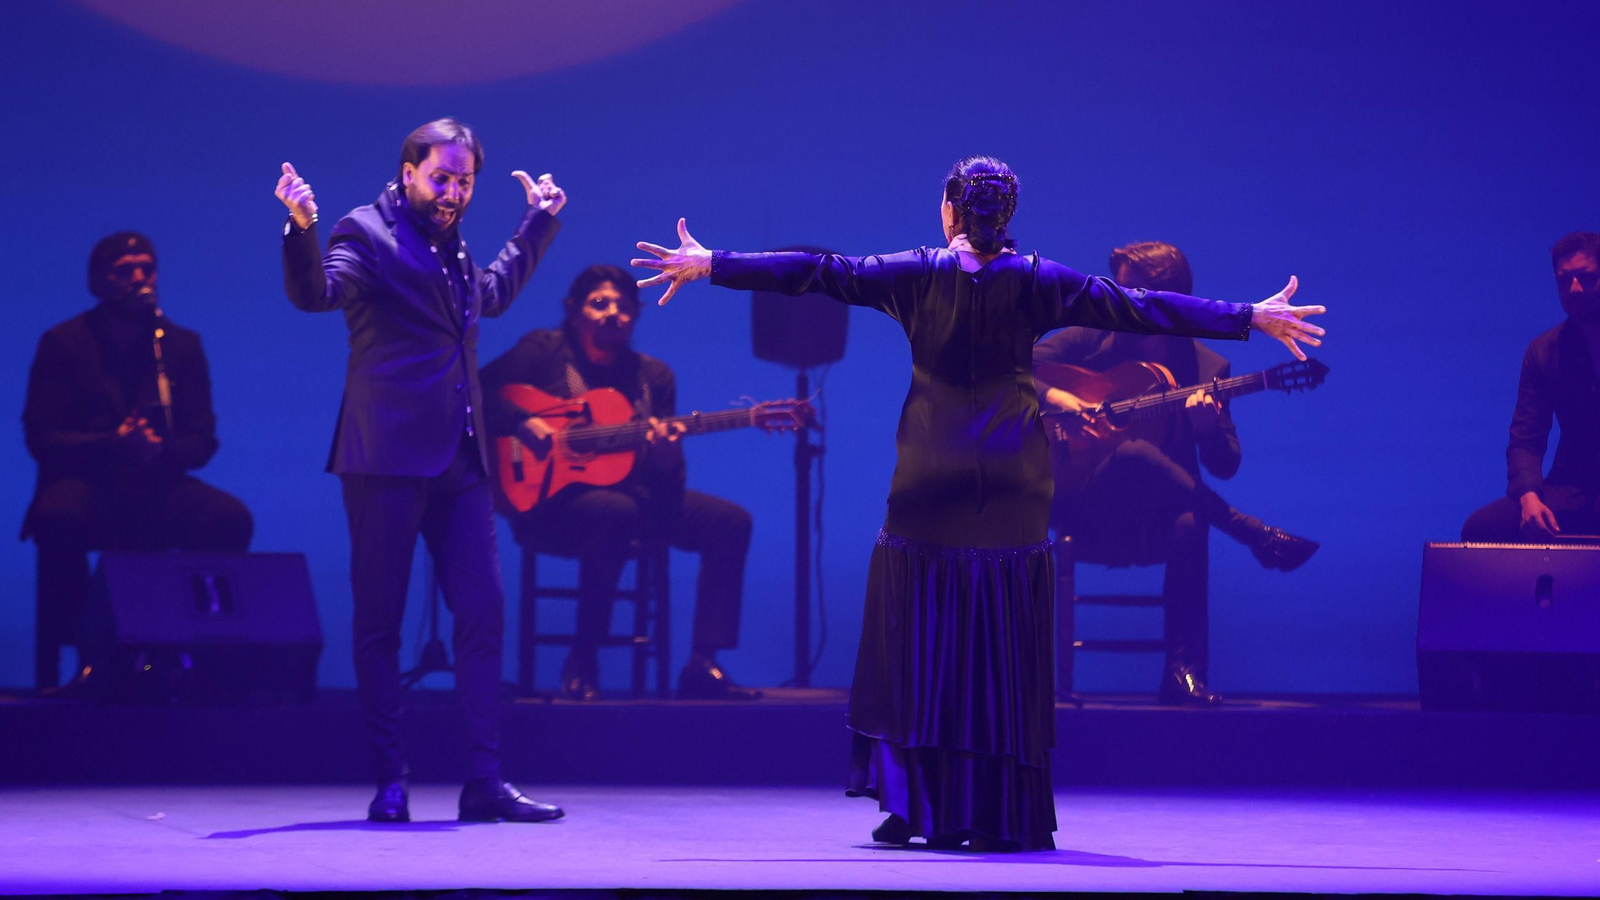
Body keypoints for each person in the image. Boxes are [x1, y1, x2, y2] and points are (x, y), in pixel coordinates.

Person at [631, 156, 1325, 852]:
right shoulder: (1041, 280)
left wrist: (711, 262)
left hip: (931, 475)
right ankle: (995, 811)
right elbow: (1145, 306)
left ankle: (910, 806)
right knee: (995, 640)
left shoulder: (914, 270)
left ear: (950, 211)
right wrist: (1251, 317)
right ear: (1007, 216)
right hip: (1012, 480)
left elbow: (817, 270)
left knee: (920, 637)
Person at [275, 118, 567, 824]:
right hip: (386, 459)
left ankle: (485, 783)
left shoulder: (452, 242)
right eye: (442, 179)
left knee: (484, 611)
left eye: (464, 183)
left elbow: (489, 298)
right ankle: (391, 780)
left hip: (460, 459)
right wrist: (301, 227)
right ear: (408, 170)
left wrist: (537, 224)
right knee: (381, 620)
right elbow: (315, 294)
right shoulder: (364, 233)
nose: (453, 194)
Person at [1033, 241, 1318, 706]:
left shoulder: (1207, 368)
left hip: (1151, 517)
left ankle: (1183, 673)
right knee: (1132, 454)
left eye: (1129, 291)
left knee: (1190, 523)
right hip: (1082, 502)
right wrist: (1060, 400)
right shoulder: (1092, 338)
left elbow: (1225, 464)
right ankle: (1252, 533)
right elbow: (1007, 367)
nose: (1116, 301)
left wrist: (1205, 428)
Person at [481, 265, 761, 701]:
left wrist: (667, 461)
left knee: (730, 522)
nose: (614, 313)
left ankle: (702, 664)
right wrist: (522, 421)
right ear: (573, 310)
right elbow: (478, 391)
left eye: (625, 307)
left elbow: (667, 487)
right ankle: (584, 658)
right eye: (600, 304)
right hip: (548, 505)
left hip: (638, 501)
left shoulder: (653, 378)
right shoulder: (543, 350)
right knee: (615, 512)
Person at [22, 232, 253, 690]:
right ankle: (79, 652)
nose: (139, 278)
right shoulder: (63, 343)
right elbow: (41, 437)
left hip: (157, 483)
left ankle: (200, 652)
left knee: (230, 519)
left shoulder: (179, 345)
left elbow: (203, 440)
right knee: (57, 516)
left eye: (146, 267)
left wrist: (159, 450)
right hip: (88, 482)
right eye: (124, 269)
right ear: (98, 281)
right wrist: (113, 444)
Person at [1462, 232, 1600, 542]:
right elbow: (1526, 437)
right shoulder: (1545, 351)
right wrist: (1528, 496)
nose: (1574, 288)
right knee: (1482, 529)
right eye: (1565, 281)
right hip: (1574, 488)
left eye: (1586, 277)